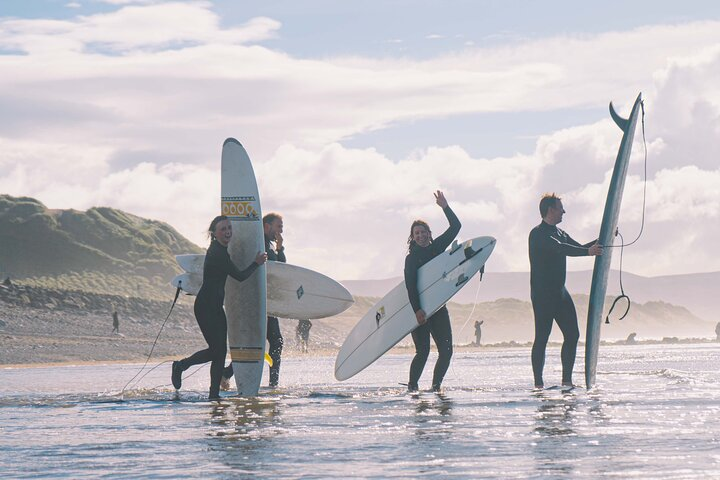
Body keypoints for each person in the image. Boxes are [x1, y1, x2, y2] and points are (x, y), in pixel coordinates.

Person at [171, 215, 267, 399]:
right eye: (223, 229)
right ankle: (181, 366)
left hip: (214, 306)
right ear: (214, 233)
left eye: (229, 228)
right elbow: (239, 276)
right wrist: (256, 262)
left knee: (219, 352)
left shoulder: (220, 249)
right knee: (217, 351)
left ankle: (213, 395)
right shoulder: (217, 252)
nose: (227, 231)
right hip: (206, 307)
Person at [528, 193, 602, 389]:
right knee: (542, 337)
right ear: (551, 210)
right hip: (542, 295)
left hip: (560, 292)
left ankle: (567, 381)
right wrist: (588, 252)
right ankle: (538, 385)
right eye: (561, 208)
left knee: (573, 335)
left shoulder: (560, 233)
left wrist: (603, 237)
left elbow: (576, 247)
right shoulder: (538, 234)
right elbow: (561, 249)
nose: (564, 211)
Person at [220, 212, 286, 388]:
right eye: (278, 226)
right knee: (268, 341)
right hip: (256, 301)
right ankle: (273, 384)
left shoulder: (270, 245)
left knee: (269, 342)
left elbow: (282, 270)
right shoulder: (258, 243)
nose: (281, 230)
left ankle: (227, 373)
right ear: (266, 226)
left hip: (266, 302)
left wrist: (280, 248)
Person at [404, 190, 461, 392]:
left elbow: (456, 227)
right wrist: (417, 310)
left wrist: (445, 207)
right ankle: (412, 388)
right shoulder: (411, 259)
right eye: (416, 233)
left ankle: (436, 388)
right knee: (423, 351)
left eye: (423, 232)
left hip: (438, 308)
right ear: (412, 237)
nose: (420, 235)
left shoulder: (437, 248)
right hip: (419, 310)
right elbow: (410, 285)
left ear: (429, 234)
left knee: (446, 351)